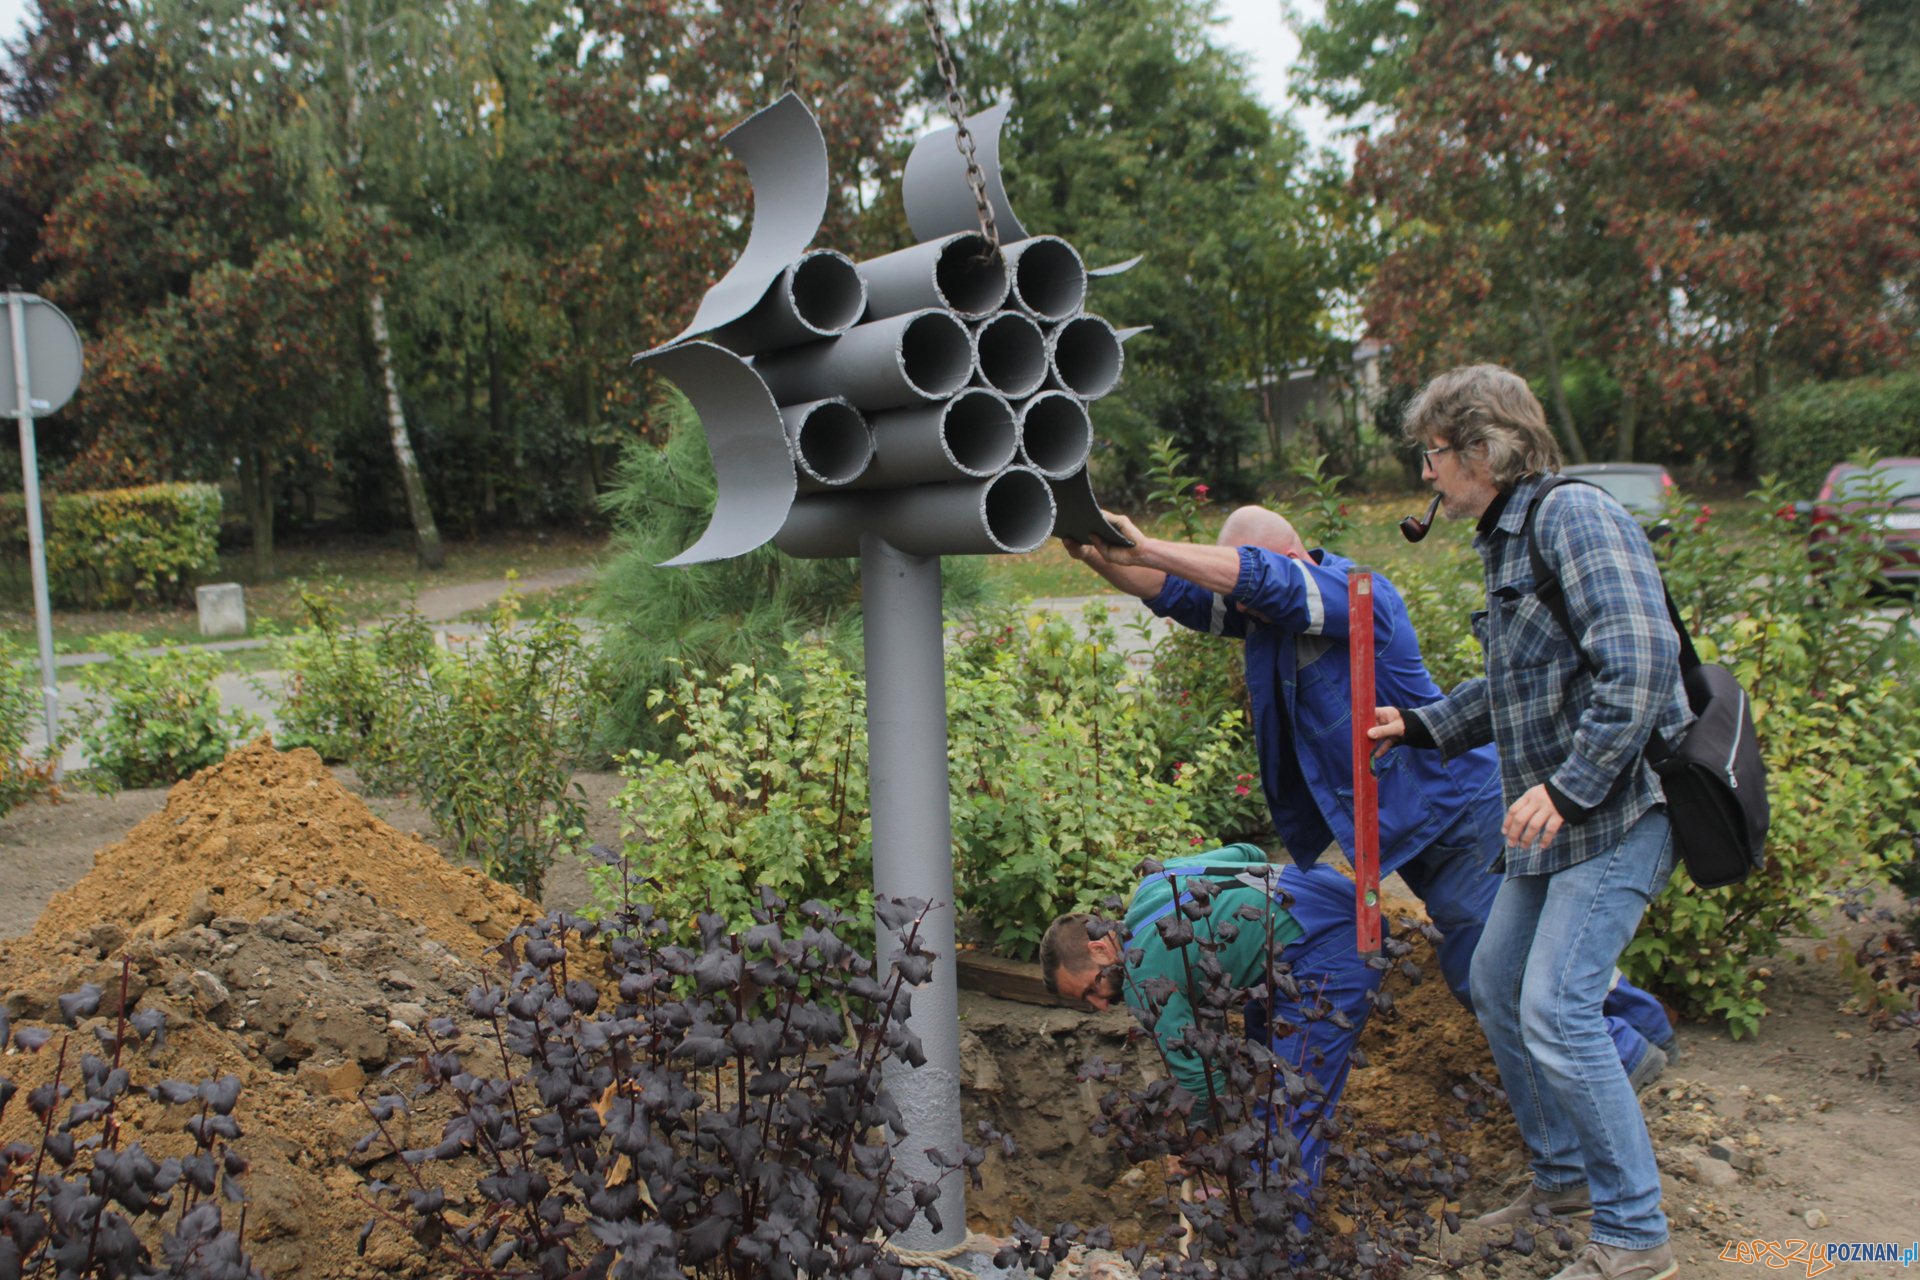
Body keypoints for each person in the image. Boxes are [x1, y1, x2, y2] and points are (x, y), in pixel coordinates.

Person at [1062, 503, 1673, 1084]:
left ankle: (1622, 1063)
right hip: (1414, 826)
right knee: (1516, 945)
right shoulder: (1272, 619)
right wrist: (1096, 552)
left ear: (1290, 557)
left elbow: (1263, 581)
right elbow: (1171, 592)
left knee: (1483, 968)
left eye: (1247, 580)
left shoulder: (1352, 593)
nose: (1239, 602)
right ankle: (1648, 1026)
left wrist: (1149, 545)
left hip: (1459, 812)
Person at [1369, 364, 1691, 1280]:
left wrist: (1568, 788)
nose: (1426, 473)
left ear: (1483, 450)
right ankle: (1563, 1181)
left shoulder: (1574, 518)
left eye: (1433, 454)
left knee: (1557, 1004)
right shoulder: (1508, 540)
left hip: (1622, 807)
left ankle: (1635, 1236)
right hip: (1556, 821)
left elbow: (1641, 666)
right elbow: (1517, 685)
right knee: (1496, 978)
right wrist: (1423, 725)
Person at [1040, 843, 1388, 1191]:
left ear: (1100, 948)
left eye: (1091, 989)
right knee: (1259, 1038)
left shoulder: (1143, 978)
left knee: (1293, 1119)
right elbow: (1249, 854)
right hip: (1333, 893)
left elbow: (1199, 1084)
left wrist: (1196, 1147)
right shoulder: (1155, 882)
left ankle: (1282, 1236)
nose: (1100, 1005)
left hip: (1337, 949)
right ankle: (1256, 1148)